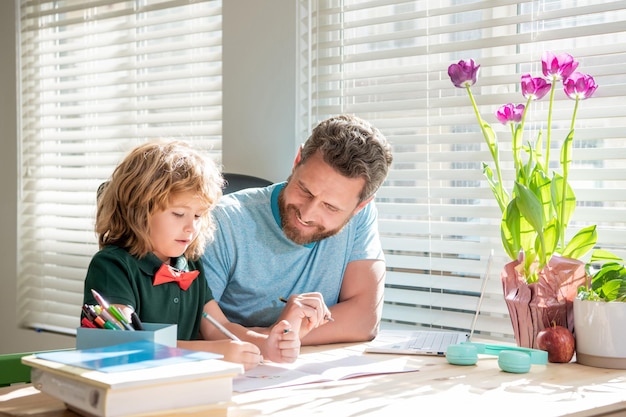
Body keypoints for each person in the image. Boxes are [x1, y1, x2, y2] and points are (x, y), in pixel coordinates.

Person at [82, 140, 305, 370]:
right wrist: (213, 353)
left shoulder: (190, 265)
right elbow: (128, 347)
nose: (191, 228)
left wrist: (265, 344)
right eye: (179, 214)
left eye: (198, 216)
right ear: (139, 210)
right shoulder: (112, 266)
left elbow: (218, 327)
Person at [202, 114, 393, 345]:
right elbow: (201, 325)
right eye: (305, 190)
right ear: (297, 160)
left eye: (330, 207)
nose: (307, 213)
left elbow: (364, 320)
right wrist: (277, 339)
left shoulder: (360, 217)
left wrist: (285, 335)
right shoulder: (223, 221)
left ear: (359, 206)